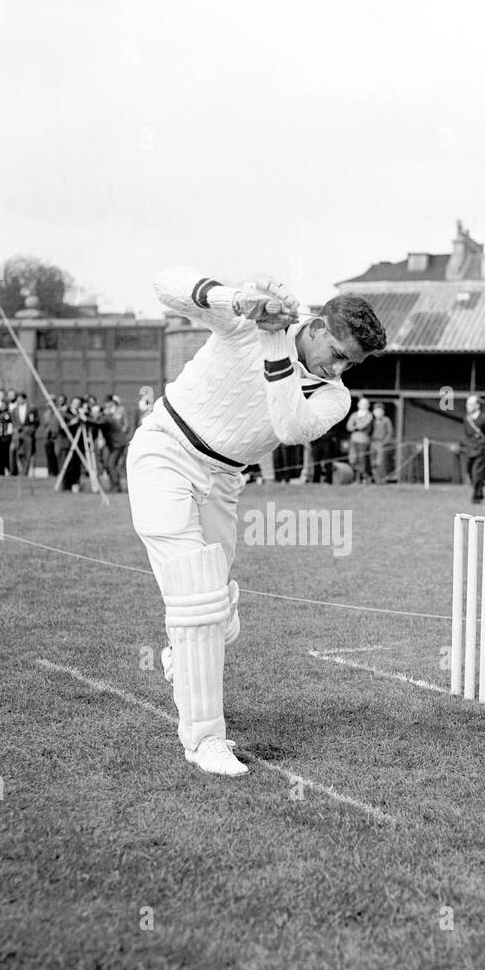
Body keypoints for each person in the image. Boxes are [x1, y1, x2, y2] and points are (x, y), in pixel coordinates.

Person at [126, 268, 385, 777]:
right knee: (198, 598)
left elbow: (288, 426)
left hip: (224, 480)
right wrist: (237, 298)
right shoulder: (245, 321)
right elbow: (162, 284)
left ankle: (182, 657)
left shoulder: (335, 396)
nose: (338, 368)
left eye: (350, 363)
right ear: (314, 326)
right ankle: (204, 741)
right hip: (165, 449)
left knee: (220, 617)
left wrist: (274, 345)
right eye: (335, 352)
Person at [461, 394, 485, 502]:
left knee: (477, 474)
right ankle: (479, 492)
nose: (467, 406)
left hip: (480, 450)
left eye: (470, 404)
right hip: (469, 450)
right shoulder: (466, 419)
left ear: (477, 405)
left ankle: (476, 497)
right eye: (467, 404)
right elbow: (467, 435)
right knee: (469, 472)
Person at [10, 392, 39, 477]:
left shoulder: (32, 409)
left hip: (27, 433)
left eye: (20, 398)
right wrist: (15, 430)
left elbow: (36, 422)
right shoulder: (14, 410)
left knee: (28, 452)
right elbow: (13, 422)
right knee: (18, 452)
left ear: (24, 399)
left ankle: (25, 472)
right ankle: (18, 470)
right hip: (18, 434)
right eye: (18, 398)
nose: (19, 400)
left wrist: (31, 430)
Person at [346, 396, 373, 482]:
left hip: (363, 441)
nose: (363, 405)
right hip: (354, 440)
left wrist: (355, 426)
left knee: (362, 460)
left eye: (365, 404)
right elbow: (348, 426)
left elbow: (363, 425)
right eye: (361, 404)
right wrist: (357, 427)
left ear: (368, 405)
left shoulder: (369, 415)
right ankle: (356, 478)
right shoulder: (354, 414)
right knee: (353, 459)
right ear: (358, 405)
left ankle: (363, 478)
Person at [370, 402, 394, 483]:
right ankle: (377, 480)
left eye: (379, 410)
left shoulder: (386, 420)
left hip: (381, 443)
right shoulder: (372, 420)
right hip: (372, 443)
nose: (378, 412)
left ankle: (383, 480)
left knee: (380, 462)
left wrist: (384, 442)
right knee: (373, 463)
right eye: (376, 410)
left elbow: (390, 433)